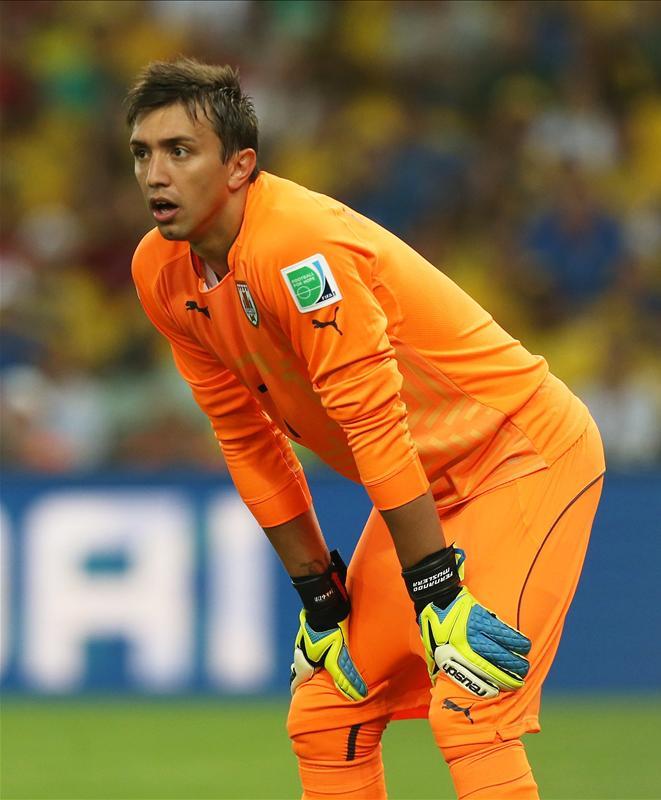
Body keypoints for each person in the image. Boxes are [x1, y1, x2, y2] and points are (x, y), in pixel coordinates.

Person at [126, 58, 605, 800]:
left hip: (519, 453)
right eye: (142, 153)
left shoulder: (296, 246)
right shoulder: (160, 272)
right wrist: (319, 594)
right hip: (426, 486)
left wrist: (436, 590)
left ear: (239, 167)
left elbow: (371, 419)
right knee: (327, 708)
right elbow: (244, 436)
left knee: (472, 700)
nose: (155, 174)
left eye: (179, 151)